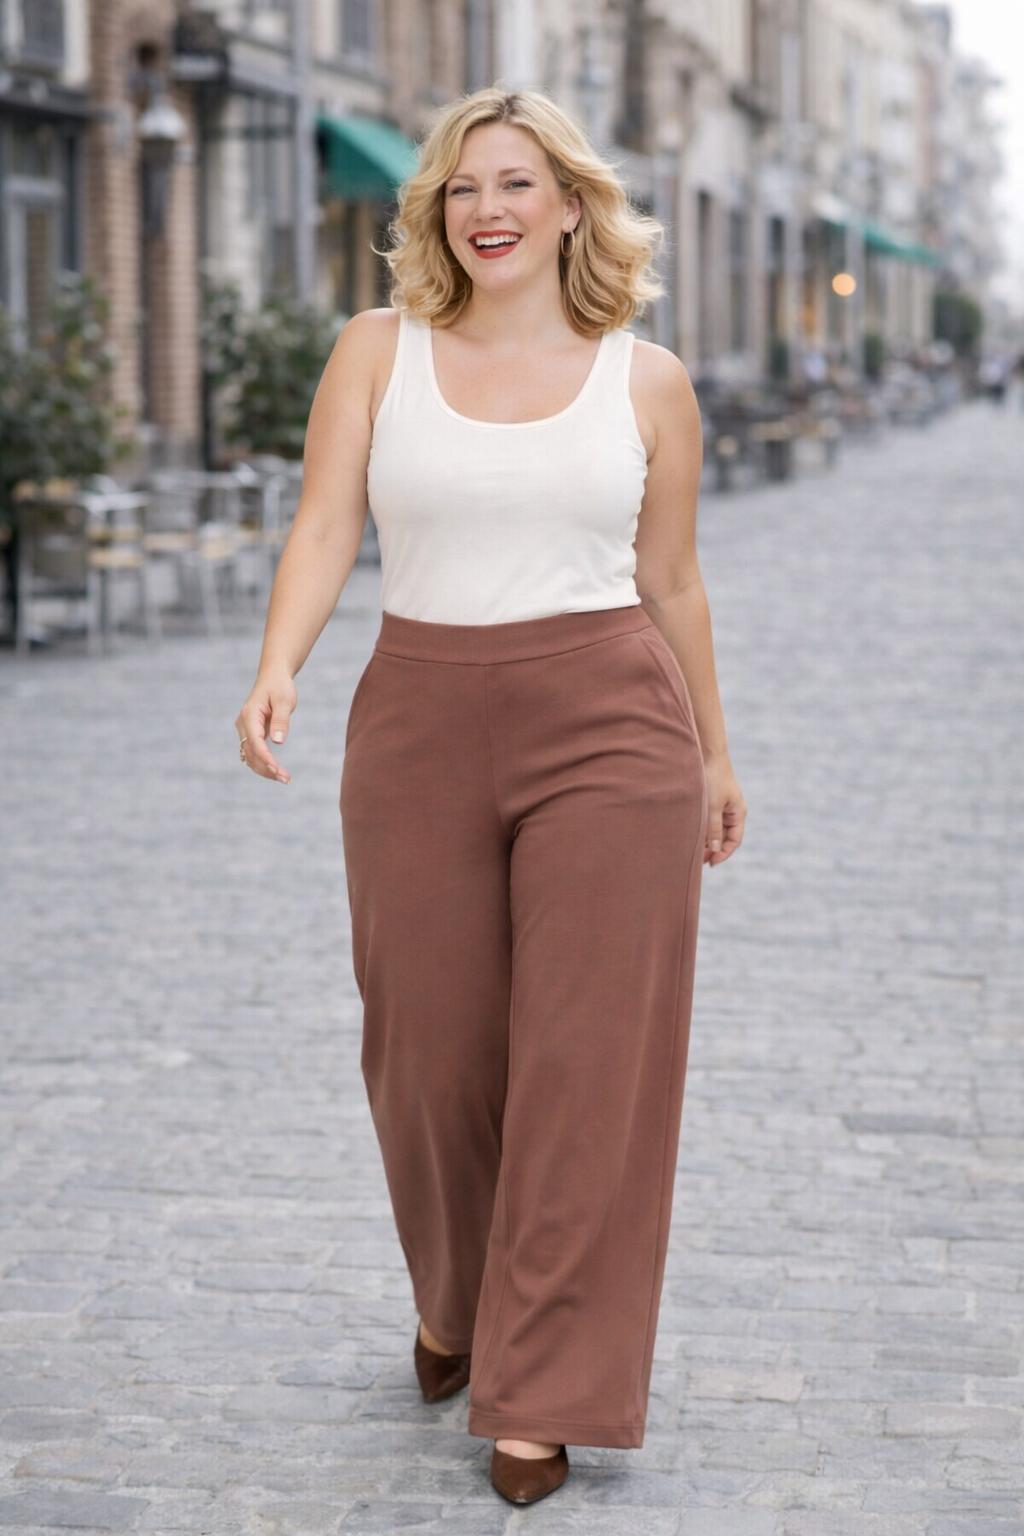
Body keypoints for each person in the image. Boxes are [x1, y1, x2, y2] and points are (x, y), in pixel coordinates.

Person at [234, 85, 746, 1507]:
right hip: (418, 722)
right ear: (436, 212)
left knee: (590, 1072)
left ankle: (545, 1391)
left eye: (516, 182)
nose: (488, 209)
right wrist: (277, 664)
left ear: (572, 205)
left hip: (613, 733)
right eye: (462, 187)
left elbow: (673, 583)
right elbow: (326, 523)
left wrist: (713, 753)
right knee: (430, 1056)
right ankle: (458, 1298)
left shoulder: (646, 382)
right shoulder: (376, 350)